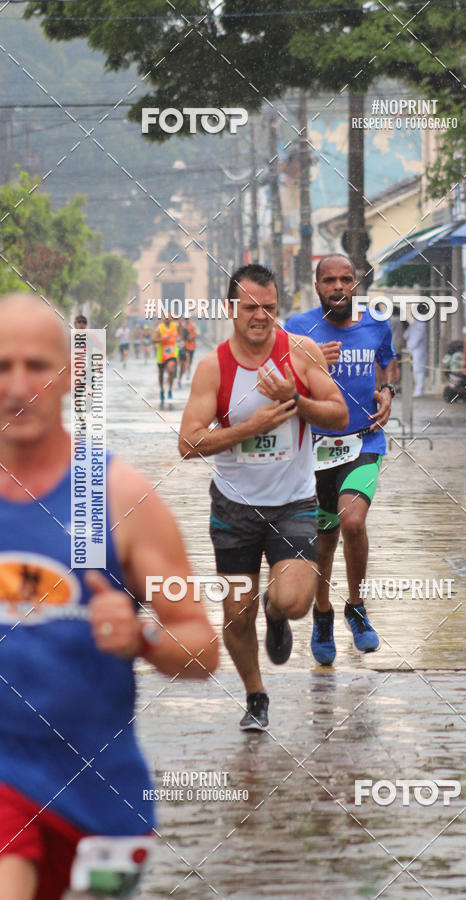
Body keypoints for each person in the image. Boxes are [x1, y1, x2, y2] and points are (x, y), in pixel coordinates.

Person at [0, 292, 218, 900]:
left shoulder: (120, 495)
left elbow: (202, 650)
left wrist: (144, 638)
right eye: (0, 366)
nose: (19, 386)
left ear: (70, 373)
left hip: (104, 800)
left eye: (37, 367)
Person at [179, 264, 347, 730]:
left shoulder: (300, 351)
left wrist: (297, 400)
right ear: (232, 309)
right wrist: (249, 428)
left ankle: (275, 614)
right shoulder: (214, 367)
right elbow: (187, 443)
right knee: (236, 612)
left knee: (294, 601)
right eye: (251, 308)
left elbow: (338, 414)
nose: (261, 317)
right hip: (234, 507)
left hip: (293, 502)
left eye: (270, 309)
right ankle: (256, 695)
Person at [286, 254, 395, 666]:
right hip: (313, 449)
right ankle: (322, 614)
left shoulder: (375, 323)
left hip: (364, 441)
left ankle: (356, 606)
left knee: (352, 521)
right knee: (324, 538)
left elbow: (388, 361)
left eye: (345, 279)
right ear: (316, 286)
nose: (338, 287)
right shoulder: (298, 328)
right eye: (329, 280)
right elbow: (278, 380)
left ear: (356, 284)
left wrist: (387, 392)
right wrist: (312, 365)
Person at [153, 314, 178, 409]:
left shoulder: (175, 326)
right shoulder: (159, 328)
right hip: (162, 355)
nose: (167, 318)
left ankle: (170, 389)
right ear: (162, 318)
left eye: (169, 316)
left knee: (171, 371)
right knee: (161, 374)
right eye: (165, 316)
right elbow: (153, 340)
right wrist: (162, 339)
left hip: (172, 354)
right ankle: (162, 390)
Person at [404, 311, 428, 397]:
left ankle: (419, 389)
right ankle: (418, 389)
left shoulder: (420, 321)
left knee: (419, 369)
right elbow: (407, 333)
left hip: (418, 349)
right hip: (414, 348)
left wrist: (411, 345)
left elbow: (418, 335)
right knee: (415, 369)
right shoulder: (416, 321)